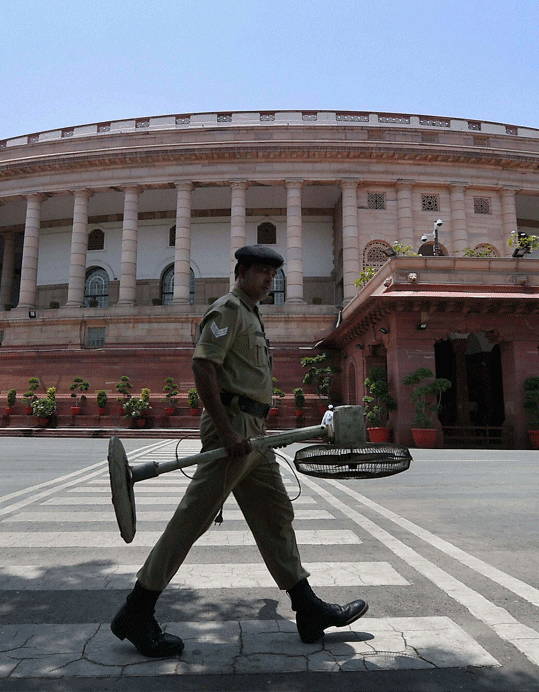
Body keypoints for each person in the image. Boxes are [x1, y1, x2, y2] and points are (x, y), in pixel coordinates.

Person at [112, 244, 368, 657]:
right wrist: (228, 430)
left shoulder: (251, 314)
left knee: (275, 514)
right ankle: (136, 610)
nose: (269, 280)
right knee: (191, 520)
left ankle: (307, 608)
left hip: (253, 433)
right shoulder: (228, 309)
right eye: (262, 272)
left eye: (273, 274)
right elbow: (203, 366)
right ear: (241, 272)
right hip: (233, 430)